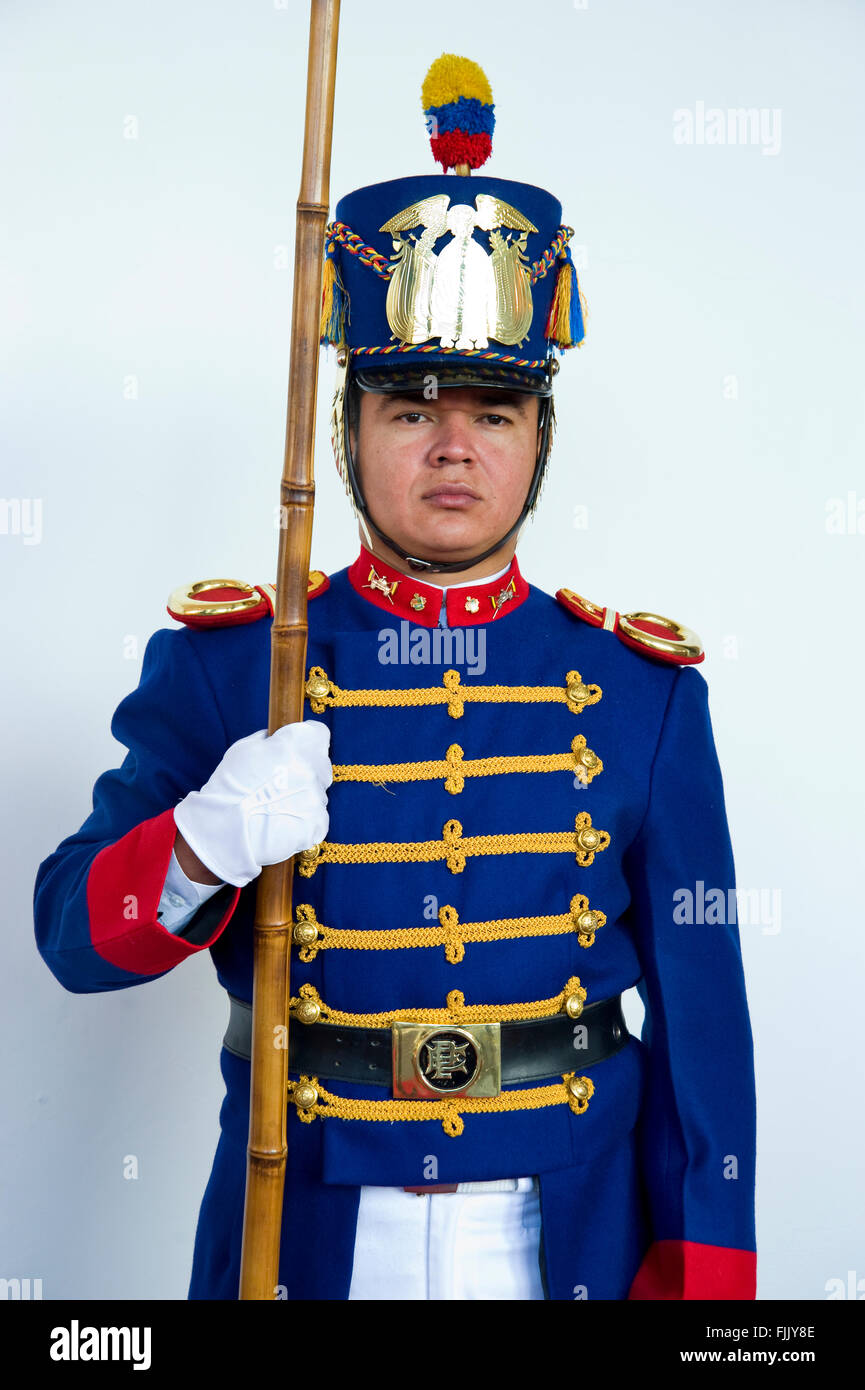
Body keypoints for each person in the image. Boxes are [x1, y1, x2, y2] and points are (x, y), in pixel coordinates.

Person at [33, 54, 756, 1301]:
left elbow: (705, 1033)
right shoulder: (231, 667)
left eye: (494, 407)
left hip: (567, 1236)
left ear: (540, 440)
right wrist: (201, 845)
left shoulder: (645, 694)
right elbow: (71, 939)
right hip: (310, 1230)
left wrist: (704, 1290)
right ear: (347, 430)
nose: (455, 447)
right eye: (411, 407)